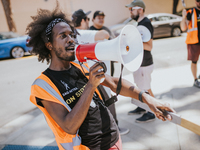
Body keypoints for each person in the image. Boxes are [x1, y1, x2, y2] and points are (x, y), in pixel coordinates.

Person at [27, 3, 175, 150]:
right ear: (49, 45)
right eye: (63, 36)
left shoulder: (81, 66)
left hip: (114, 140)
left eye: (72, 34)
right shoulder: (43, 85)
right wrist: (90, 85)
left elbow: (113, 82)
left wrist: (148, 99)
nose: (71, 39)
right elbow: (69, 126)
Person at [72, 9, 129, 135]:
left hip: (88, 77)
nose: (87, 22)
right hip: (99, 77)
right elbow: (104, 34)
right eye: (87, 19)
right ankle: (115, 130)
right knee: (108, 103)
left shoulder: (73, 36)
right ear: (83, 21)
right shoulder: (82, 33)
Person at [126, 0, 156, 123]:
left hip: (145, 63)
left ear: (140, 9)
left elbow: (149, 46)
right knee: (141, 87)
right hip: (140, 63)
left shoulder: (146, 23)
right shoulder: (139, 23)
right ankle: (142, 106)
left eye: (131, 9)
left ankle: (152, 111)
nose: (130, 12)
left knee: (146, 88)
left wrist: (134, 42)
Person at [180, 0, 200, 88]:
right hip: (194, 41)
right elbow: (183, 27)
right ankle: (195, 80)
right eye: (198, 1)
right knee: (194, 62)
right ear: (195, 2)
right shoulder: (191, 12)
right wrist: (184, 17)